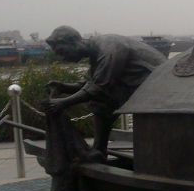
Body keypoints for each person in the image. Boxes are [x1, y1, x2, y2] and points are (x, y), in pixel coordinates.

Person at [42, 26, 167, 155]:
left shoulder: (109, 46)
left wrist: (63, 103)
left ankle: (100, 150)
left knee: (102, 99)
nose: (62, 57)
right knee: (102, 102)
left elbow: (100, 86)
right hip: (142, 85)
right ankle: (99, 150)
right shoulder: (96, 52)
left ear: (72, 41)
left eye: (61, 51)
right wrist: (64, 87)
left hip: (161, 87)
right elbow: (89, 83)